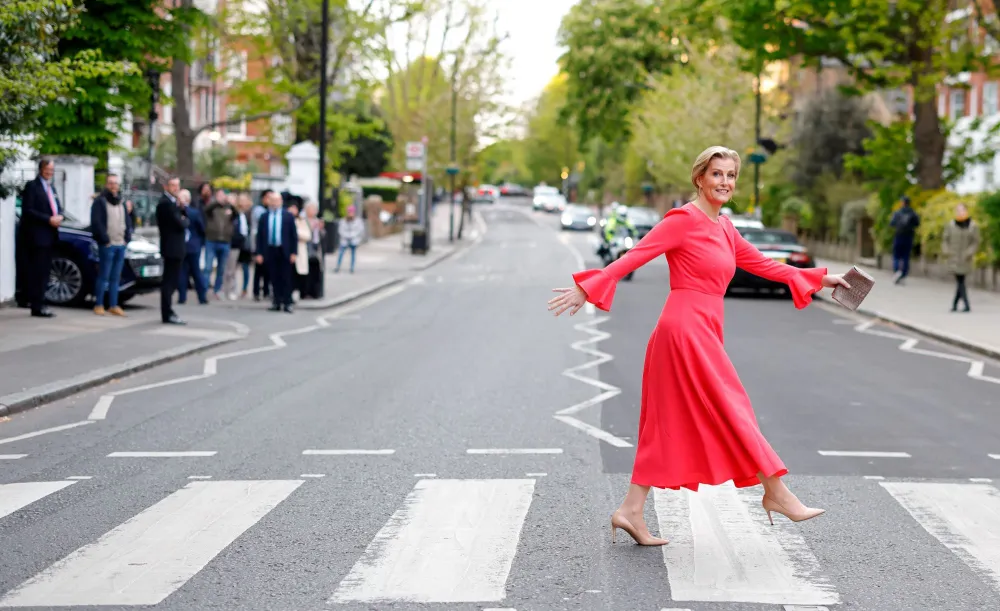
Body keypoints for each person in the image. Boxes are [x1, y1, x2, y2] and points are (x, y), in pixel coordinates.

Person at [547, 146, 850, 546]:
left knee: (664, 424)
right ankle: (777, 493)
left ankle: (630, 511)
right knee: (733, 407)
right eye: (716, 174)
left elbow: (764, 265)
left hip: (704, 328)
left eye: (730, 175)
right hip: (683, 330)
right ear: (699, 178)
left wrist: (821, 278)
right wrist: (588, 288)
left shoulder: (724, 228)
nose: (724, 182)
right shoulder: (682, 221)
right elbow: (634, 256)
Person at [17, 157, 63, 318]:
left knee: (45, 272)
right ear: (41, 169)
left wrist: (60, 216)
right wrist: (48, 219)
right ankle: (37, 305)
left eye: (51, 170)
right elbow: (28, 210)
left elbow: (57, 206)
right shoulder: (32, 186)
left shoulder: (52, 188)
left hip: (50, 236)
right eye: (47, 170)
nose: (49, 173)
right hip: (37, 236)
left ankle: (42, 303)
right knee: (38, 272)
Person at [89, 173, 132, 316]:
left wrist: (127, 238)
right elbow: (96, 223)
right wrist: (105, 240)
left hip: (120, 244)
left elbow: (128, 221)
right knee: (104, 275)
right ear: (107, 185)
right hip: (108, 244)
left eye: (115, 183)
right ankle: (99, 304)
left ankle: (113, 305)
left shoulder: (121, 202)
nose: (113, 186)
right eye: (111, 183)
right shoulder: (100, 201)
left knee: (115, 277)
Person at [255, 191, 297, 313]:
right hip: (270, 250)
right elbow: (260, 236)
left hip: (284, 250)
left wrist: (294, 252)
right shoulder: (264, 216)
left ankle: (287, 302)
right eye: (272, 200)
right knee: (274, 278)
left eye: (277, 201)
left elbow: (293, 236)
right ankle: (276, 302)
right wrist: (259, 253)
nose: (274, 203)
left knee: (286, 277)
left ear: (281, 202)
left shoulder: (288, 216)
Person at [155, 177, 189, 325]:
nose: (176, 188)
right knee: (169, 282)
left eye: (177, 185)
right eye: (173, 185)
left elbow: (184, 220)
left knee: (173, 281)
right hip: (171, 248)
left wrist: (182, 211)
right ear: (166, 186)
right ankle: (167, 313)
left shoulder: (174, 204)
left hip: (176, 248)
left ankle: (169, 311)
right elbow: (181, 224)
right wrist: (182, 216)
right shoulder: (165, 204)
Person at [941, 203, 981, 312]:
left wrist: (969, 252)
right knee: (960, 281)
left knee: (960, 281)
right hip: (953, 258)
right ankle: (965, 305)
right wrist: (947, 251)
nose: (960, 212)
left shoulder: (972, 226)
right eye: (958, 210)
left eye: (962, 210)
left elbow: (976, 242)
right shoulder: (951, 225)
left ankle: (955, 305)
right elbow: (945, 240)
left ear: (966, 211)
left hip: (965, 259)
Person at [890, 195, 920, 284]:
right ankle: (903, 274)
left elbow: (892, 223)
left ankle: (897, 271)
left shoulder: (897, 213)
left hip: (899, 236)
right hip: (909, 236)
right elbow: (917, 223)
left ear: (902, 203)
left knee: (896, 255)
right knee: (906, 256)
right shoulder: (913, 213)